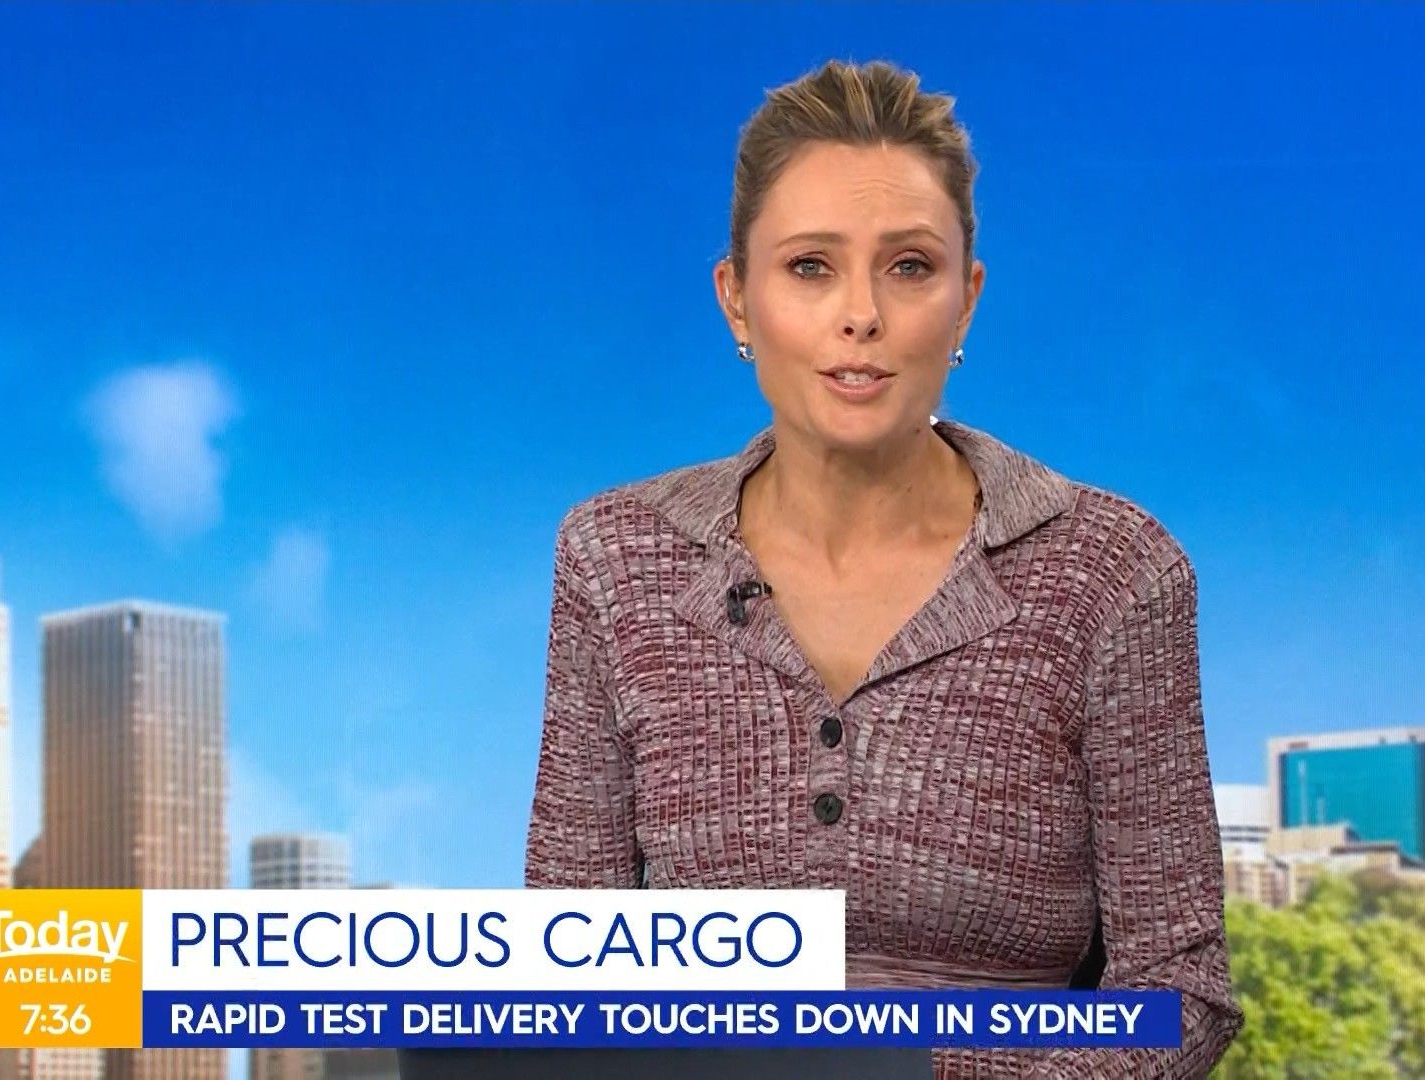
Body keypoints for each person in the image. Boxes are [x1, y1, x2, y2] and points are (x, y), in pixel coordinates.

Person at [524, 58, 1243, 1078]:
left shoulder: (1113, 572)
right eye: (810, 267)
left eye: (908, 266)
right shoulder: (616, 558)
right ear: (737, 301)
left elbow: (1181, 993)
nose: (860, 313)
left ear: (966, 301)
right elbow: (564, 981)